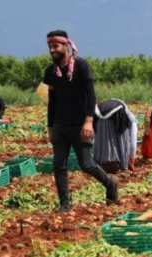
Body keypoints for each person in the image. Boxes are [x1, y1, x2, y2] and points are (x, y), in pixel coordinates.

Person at [43, 29, 118, 212]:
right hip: (60, 125)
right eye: (49, 46)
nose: (52, 50)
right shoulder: (50, 72)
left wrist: (88, 121)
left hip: (80, 124)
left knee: (86, 164)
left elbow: (90, 95)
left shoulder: (82, 66)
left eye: (55, 46)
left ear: (66, 45)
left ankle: (110, 184)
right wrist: (50, 126)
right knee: (58, 165)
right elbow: (52, 101)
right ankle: (65, 204)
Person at [94, 99, 138, 172]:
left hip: (98, 114)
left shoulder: (104, 105)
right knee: (121, 138)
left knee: (102, 135)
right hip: (118, 112)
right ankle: (119, 163)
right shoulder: (132, 120)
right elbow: (133, 143)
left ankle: (101, 162)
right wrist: (131, 160)